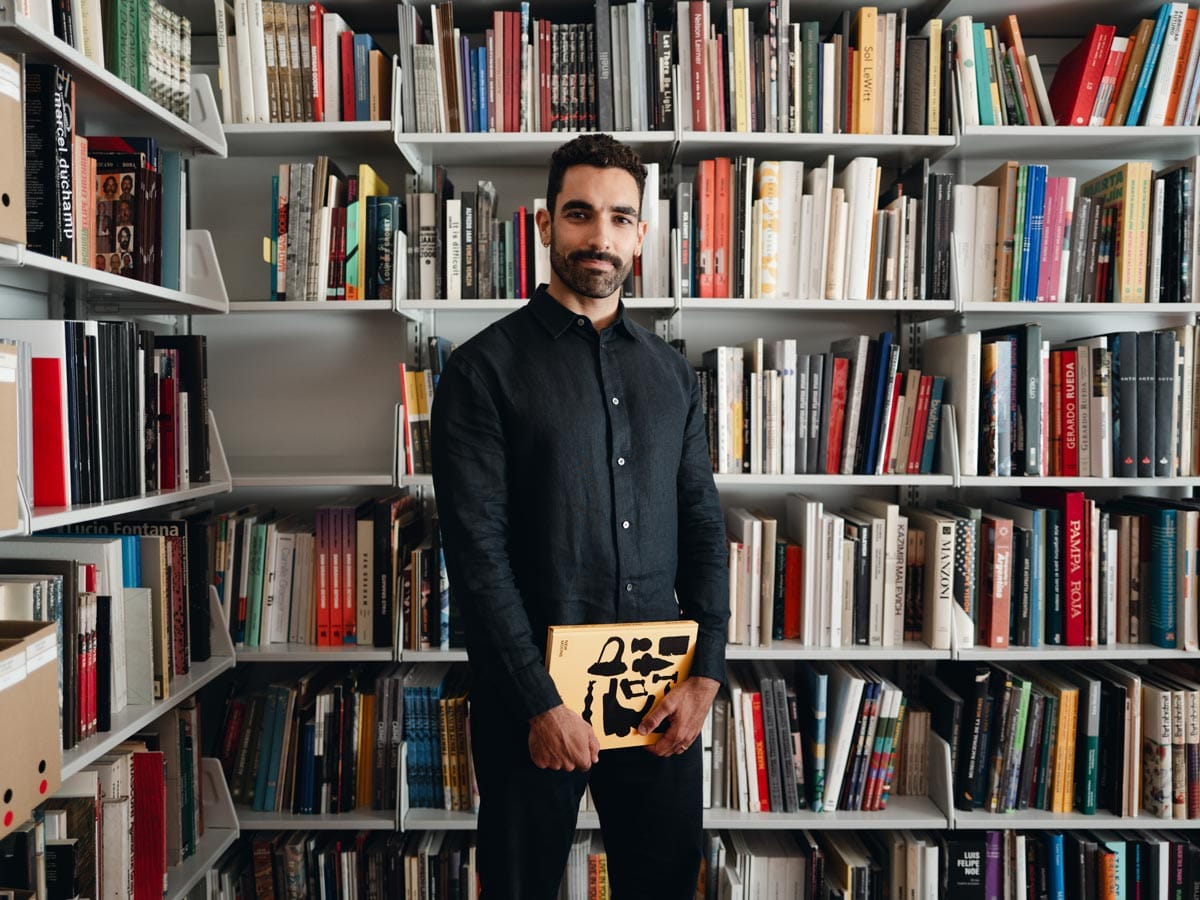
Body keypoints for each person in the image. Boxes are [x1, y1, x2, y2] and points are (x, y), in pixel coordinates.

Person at [430, 134, 728, 900]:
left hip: (660, 699)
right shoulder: (482, 370)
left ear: (642, 233)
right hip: (532, 708)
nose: (600, 237)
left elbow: (701, 520)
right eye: (580, 213)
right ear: (543, 224)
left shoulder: (671, 374)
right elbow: (477, 554)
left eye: (620, 218)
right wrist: (539, 701)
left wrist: (708, 676)